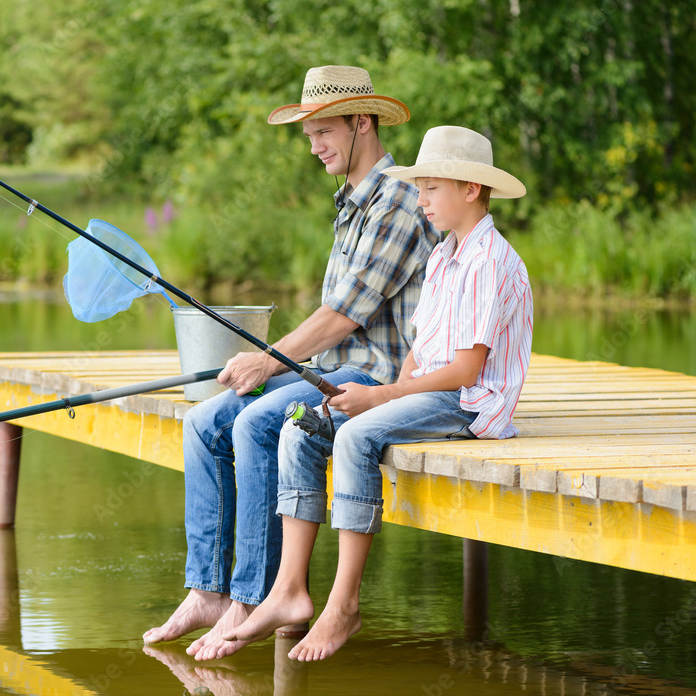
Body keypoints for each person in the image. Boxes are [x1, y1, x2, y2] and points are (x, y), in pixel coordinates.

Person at [143, 65, 440, 660]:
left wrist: (269, 360)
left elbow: (345, 315)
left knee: (256, 422)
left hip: (376, 377)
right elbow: (334, 319)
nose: (314, 145)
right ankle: (207, 589)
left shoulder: (400, 202)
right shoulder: (353, 201)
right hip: (333, 368)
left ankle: (254, 596)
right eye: (307, 135)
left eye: (323, 131)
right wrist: (272, 364)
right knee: (204, 423)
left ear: (363, 123)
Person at [223, 125, 534, 662]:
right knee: (304, 427)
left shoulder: (489, 261)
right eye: (419, 189)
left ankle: (343, 605)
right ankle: (289, 590)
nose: (421, 200)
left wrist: (380, 399)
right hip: (426, 388)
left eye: (432, 188)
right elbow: (421, 347)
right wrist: (391, 389)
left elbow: (464, 370)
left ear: (471, 190)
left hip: (471, 402)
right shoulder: (444, 256)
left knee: (356, 437)